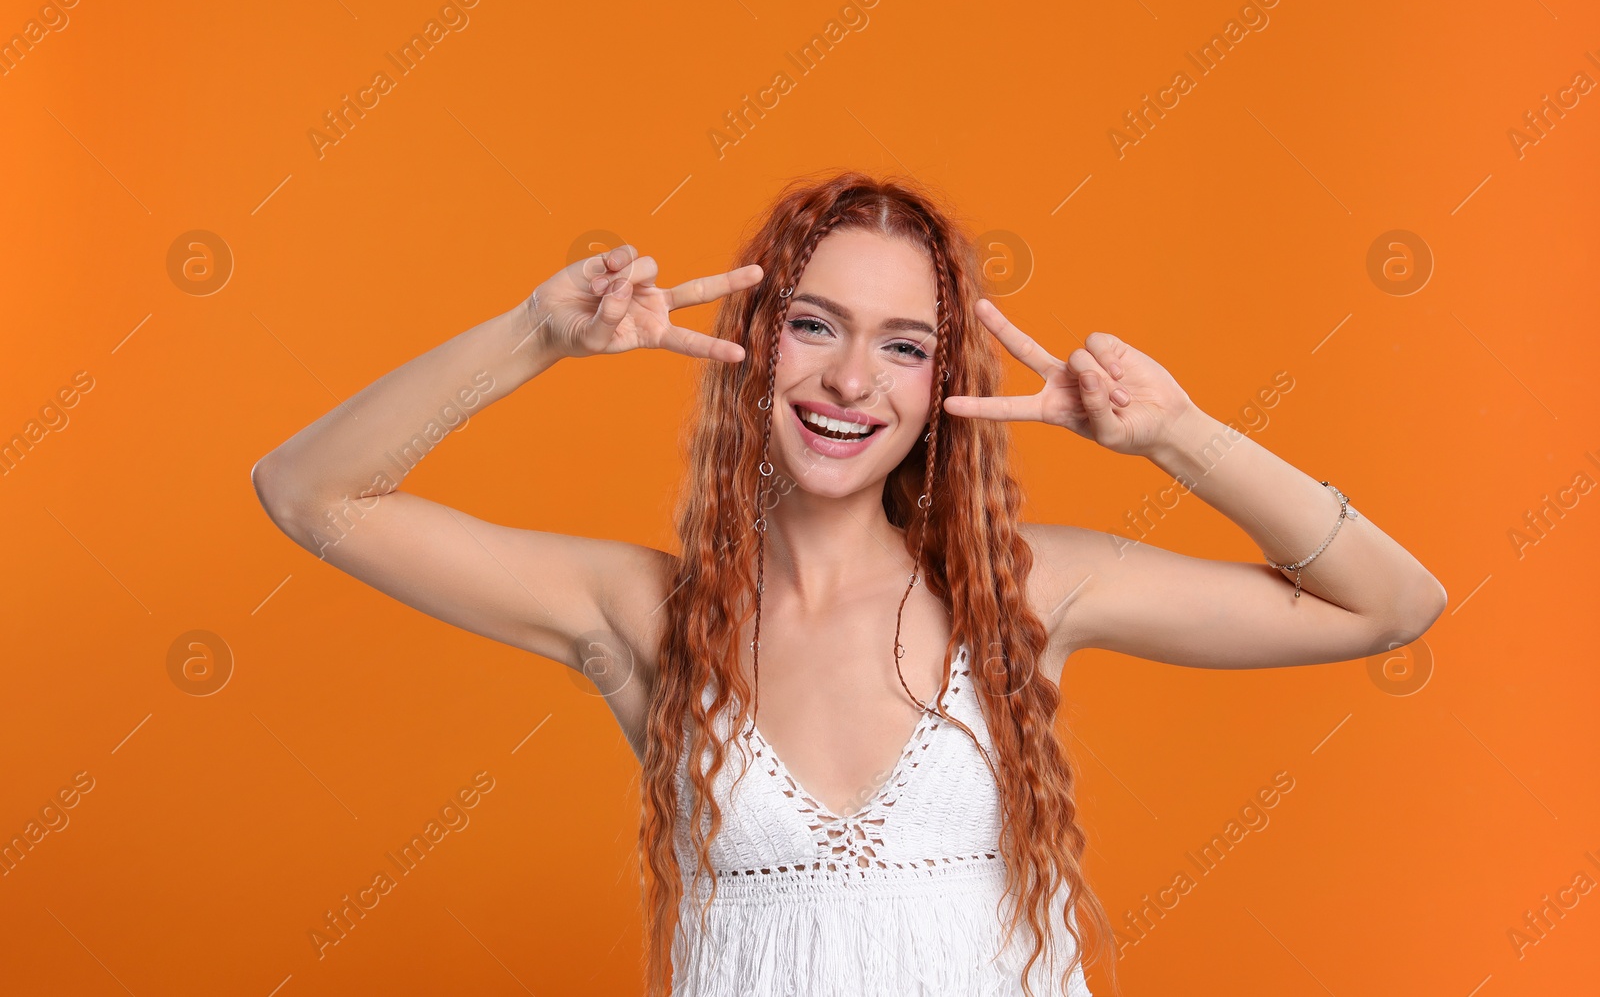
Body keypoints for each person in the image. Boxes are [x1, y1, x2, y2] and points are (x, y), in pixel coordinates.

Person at [251, 171, 1448, 997]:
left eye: (904, 343)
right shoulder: (642, 615)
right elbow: (310, 494)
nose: (850, 379)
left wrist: (1176, 436)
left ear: (940, 387)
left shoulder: (1027, 595)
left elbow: (1389, 603)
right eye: (813, 324)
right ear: (751, 346)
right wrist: (534, 335)